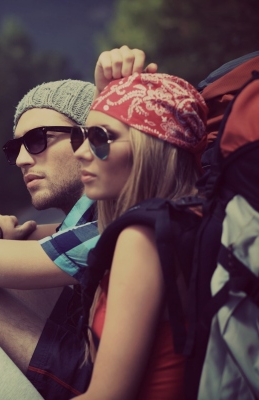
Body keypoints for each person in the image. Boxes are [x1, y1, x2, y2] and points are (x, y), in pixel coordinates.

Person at [0, 46, 157, 398]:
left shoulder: (114, 228)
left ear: (91, 138)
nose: (23, 159)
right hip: (83, 369)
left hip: (86, 381)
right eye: (15, 149)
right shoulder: (87, 225)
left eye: (38, 140)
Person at [69, 72, 208, 399]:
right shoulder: (192, 217)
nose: (81, 153)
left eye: (100, 138)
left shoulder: (141, 238)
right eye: (81, 137)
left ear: (151, 148)